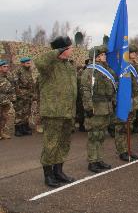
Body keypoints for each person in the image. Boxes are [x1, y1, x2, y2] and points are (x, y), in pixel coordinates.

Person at [35, 36, 77, 187]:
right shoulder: (49, 65)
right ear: (63, 49)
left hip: (67, 112)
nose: (72, 50)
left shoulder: (68, 66)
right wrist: (57, 51)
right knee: (51, 144)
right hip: (53, 112)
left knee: (63, 143)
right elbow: (38, 61)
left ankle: (58, 172)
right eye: (70, 47)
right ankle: (48, 175)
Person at [81, 46, 116, 173]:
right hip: (95, 108)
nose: (105, 56)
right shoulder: (89, 71)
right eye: (102, 55)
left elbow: (113, 87)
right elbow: (85, 91)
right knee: (94, 135)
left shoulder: (106, 70)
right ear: (96, 57)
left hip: (105, 107)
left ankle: (99, 159)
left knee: (101, 135)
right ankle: (92, 161)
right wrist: (88, 107)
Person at [13, 57, 35, 136]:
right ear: (22, 63)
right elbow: (15, 84)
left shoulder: (29, 70)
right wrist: (18, 94)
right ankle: (18, 129)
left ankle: (25, 127)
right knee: (19, 112)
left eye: (29, 63)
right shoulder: (18, 71)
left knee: (26, 111)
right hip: (20, 95)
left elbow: (31, 82)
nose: (29, 64)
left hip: (28, 94)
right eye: (27, 63)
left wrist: (32, 93)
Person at [0, 60, 16, 140]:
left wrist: (13, 98)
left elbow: (12, 87)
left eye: (7, 66)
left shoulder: (9, 76)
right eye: (4, 67)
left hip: (6, 101)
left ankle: (1, 133)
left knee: (4, 117)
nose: (6, 68)